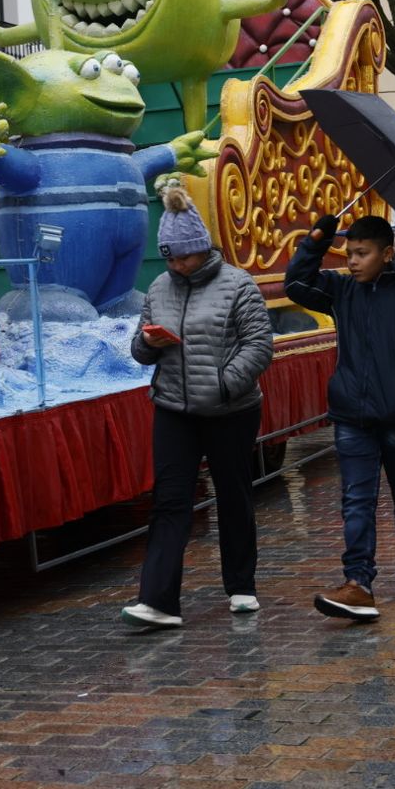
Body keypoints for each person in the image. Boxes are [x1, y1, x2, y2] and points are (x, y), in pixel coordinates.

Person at [122, 179, 273, 629]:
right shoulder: (159, 289)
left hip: (231, 410)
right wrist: (147, 344)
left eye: (184, 255)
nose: (178, 265)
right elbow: (138, 346)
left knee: (233, 496)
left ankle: (242, 585)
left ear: (201, 248)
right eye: (169, 256)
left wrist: (227, 383)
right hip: (173, 409)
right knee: (169, 501)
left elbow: (259, 345)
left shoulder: (237, 285)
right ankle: (159, 600)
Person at [285, 213, 395, 618]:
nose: (352, 262)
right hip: (352, 418)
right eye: (349, 253)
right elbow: (296, 285)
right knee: (356, 501)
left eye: (362, 253)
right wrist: (317, 241)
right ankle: (358, 582)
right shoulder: (341, 291)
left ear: (387, 253)